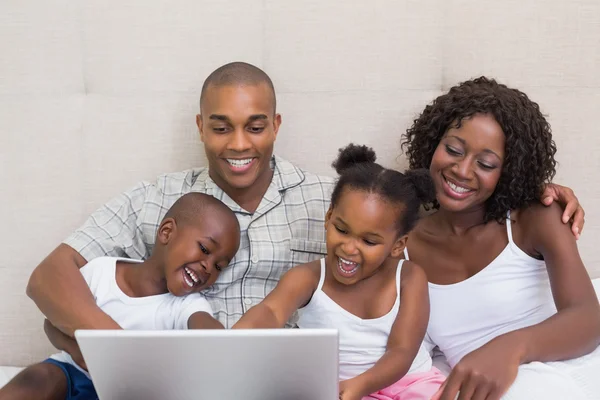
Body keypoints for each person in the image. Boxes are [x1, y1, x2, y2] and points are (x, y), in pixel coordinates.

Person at [26, 62, 585, 362]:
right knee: (51, 354)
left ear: (277, 124)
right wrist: (116, 350)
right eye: (220, 126)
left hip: (280, 377)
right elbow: (49, 278)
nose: (238, 143)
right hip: (167, 368)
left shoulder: (334, 203)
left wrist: (531, 187)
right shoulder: (154, 199)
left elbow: (423, 203)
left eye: (255, 125)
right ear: (200, 127)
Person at [399, 77, 600, 400]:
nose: (463, 171)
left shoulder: (536, 218)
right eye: (453, 149)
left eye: (486, 163)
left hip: (565, 370)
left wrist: (510, 348)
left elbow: (588, 320)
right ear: (432, 143)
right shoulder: (403, 249)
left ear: (508, 171)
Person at [235, 144, 446, 400]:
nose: (349, 248)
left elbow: (402, 351)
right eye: (342, 230)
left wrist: (361, 384)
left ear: (398, 245)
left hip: (408, 385)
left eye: (369, 241)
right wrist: (237, 340)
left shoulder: (410, 277)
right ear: (329, 217)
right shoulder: (310, 278)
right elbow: (271, 310)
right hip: (338, 391)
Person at [0, 193, 240, 400]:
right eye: (205, 249)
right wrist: (81, 354)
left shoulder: (188, 304)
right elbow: (51, 324)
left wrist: (222, 343)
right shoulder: (102, 271)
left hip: (130, 392)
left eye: (219, 266)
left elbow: (206, 329)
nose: (209, 267)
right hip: (73, 374)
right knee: (39, 376)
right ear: (167, 232)